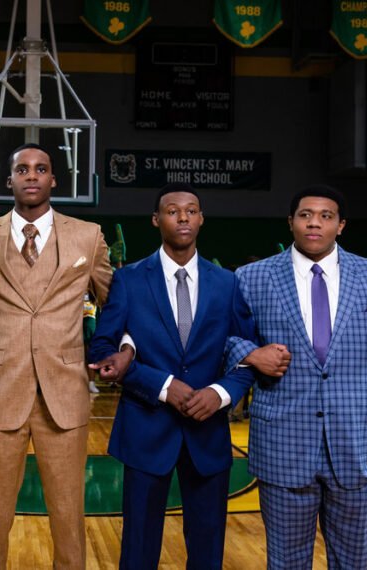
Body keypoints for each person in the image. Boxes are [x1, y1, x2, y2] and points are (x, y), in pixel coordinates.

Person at [225, 185, 367, 568]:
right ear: (290, 222)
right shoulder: (251, 278)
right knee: (286, 562)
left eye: (326, 216)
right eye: (305, 214)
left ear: (341, 225)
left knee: (353, 562)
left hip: (361, 445)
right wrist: (250, 353)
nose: (314, 222)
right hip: (283, 444)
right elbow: (222, 338)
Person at [0, 143, 113, 569]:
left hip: (65, 392)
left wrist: (117, 350)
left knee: (68, 516)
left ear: (53, 179)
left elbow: (114, 305)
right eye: (22, 169)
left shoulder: (88, 236)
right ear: (9, 181)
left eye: (41, 169)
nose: (32, 175)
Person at [87, 183, 255, 569]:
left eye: (191, 210)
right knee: (139, 547)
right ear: (156, 219)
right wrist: (161, 385)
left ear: (201, 219)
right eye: (172, 210)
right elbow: (101, 351)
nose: (182, 217)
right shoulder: (128, 279)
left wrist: (221, 393)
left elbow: (247, 353)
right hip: (146, 429)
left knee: (208, 546)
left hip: (207, 432)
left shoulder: (228, 283)